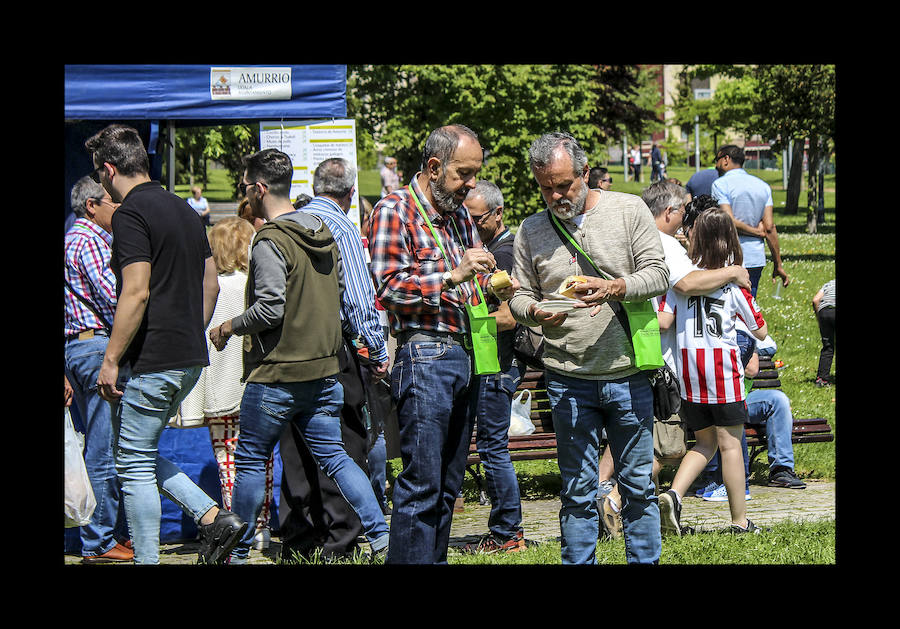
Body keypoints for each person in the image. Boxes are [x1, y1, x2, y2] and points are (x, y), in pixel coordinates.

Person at [208, 148, 389, 564]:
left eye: (245, 189)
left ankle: (235, 555)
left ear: (258, 188)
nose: (245, 197)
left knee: (251, 458)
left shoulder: (270, 240)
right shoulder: (327, 231)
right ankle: (381, 537)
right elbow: (342, 297)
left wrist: (226, 327)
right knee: (337, 457)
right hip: (325, 371)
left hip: (277, 376)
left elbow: (270, 307)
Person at [87, 123, 246, 565]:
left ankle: (147, 559)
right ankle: (214, 516)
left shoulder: (129, 214)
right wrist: (189, 330)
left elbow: (135, 290)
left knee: (133, 465)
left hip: (152, 358)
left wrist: (111, 359)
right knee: (137, 453)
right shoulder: (184, 208)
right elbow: (210, 281)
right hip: (188, 356)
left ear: (109, 169)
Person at [508, 131, 669, 565]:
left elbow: (658, 274)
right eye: (546, 187)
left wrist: (616, 286)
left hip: (628, 372)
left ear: (585, 172)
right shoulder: (531, 229)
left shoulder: (628, 209)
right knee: (577, 491)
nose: (557, 195)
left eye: (565, 184)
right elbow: (519, 295)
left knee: (638, 488)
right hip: (567, 379)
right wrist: (534, 313)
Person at [368, 124, 518, 564]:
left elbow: (474, 282)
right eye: (463, 174)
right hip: (425, 353)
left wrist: (494, 286)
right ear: (434, 167)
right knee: (422, 483)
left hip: (467, 350)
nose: (471, 184)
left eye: (475, 174)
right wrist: (453, 275)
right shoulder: (394, 210)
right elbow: (389, 288)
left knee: (449, 483)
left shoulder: (458, 216)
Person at [596, 181, 751, 537]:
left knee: (650, 439)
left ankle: (612, 493)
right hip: (671, 364)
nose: (685, 222)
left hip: (635, 351)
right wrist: (733, 272)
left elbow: (667, 310)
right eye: (682, 211)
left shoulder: (633, 239)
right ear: (669, 212)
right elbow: (685, 286)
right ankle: (617, 500)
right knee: (669, 446)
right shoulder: (667, 247)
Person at [276, 157, 391, 562]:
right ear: (350, 193)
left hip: (286, 353)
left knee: (295, 445)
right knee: (343, 441)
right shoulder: (339, 226)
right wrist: (377, 351)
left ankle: (298, 537)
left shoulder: (287, 223)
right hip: (332, 350)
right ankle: (340, 538)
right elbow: (358, 299)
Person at [656, 207, 769, 536]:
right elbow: (759, 331)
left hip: (690, 377)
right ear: (731, 241)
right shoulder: (735, 285)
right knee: (730, 446)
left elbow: (664, 320)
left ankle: (673, 495)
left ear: (694, 239)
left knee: (703, 443)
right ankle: (739, 521)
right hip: (723, 374)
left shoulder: (682, 284)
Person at [175, 216, 275, 551]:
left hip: (218, 388)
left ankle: (238, 524)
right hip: (254, 385)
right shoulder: (255, 286)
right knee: (261, 457)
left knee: (228, 460)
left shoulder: (210, 288)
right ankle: (261, 524)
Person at [459, 180, 531, 554]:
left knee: (492, 448)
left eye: (477, 218)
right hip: (496, 363)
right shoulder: (492, 248)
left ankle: (507, 532)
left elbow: (507, 318)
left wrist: (462, 317)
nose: (471, 225)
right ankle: (506, 529)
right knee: (491, 447)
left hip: (497, 364)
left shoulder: (501, 256)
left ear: (498, 213)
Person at [64, 175, 132, 564]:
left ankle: (105, 536)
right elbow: (114, 296)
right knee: (104, 449)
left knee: (106, 444)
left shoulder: (78, 238)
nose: (118, 209)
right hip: (95, 346)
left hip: (86, 347)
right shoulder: (87, 239)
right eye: (113, 203)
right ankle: (99, 542)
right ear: (92, 206)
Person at [711, 144, 790, 297]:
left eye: (717, 160)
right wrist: (778, 264)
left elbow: (728, 220)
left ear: (726, 159)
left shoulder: (720, 184)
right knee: (749, 307)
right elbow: (769, 228)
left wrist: (756, 231)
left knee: (728, 307)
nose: (716, 165)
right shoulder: (763, 186)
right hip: (755, 258)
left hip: (729, 256)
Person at [812, 279, 835, 387]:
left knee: (828, 346)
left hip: (824, 312)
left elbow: (815, 300)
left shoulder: (829, 283)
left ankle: (822, 379)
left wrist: (819, 319)